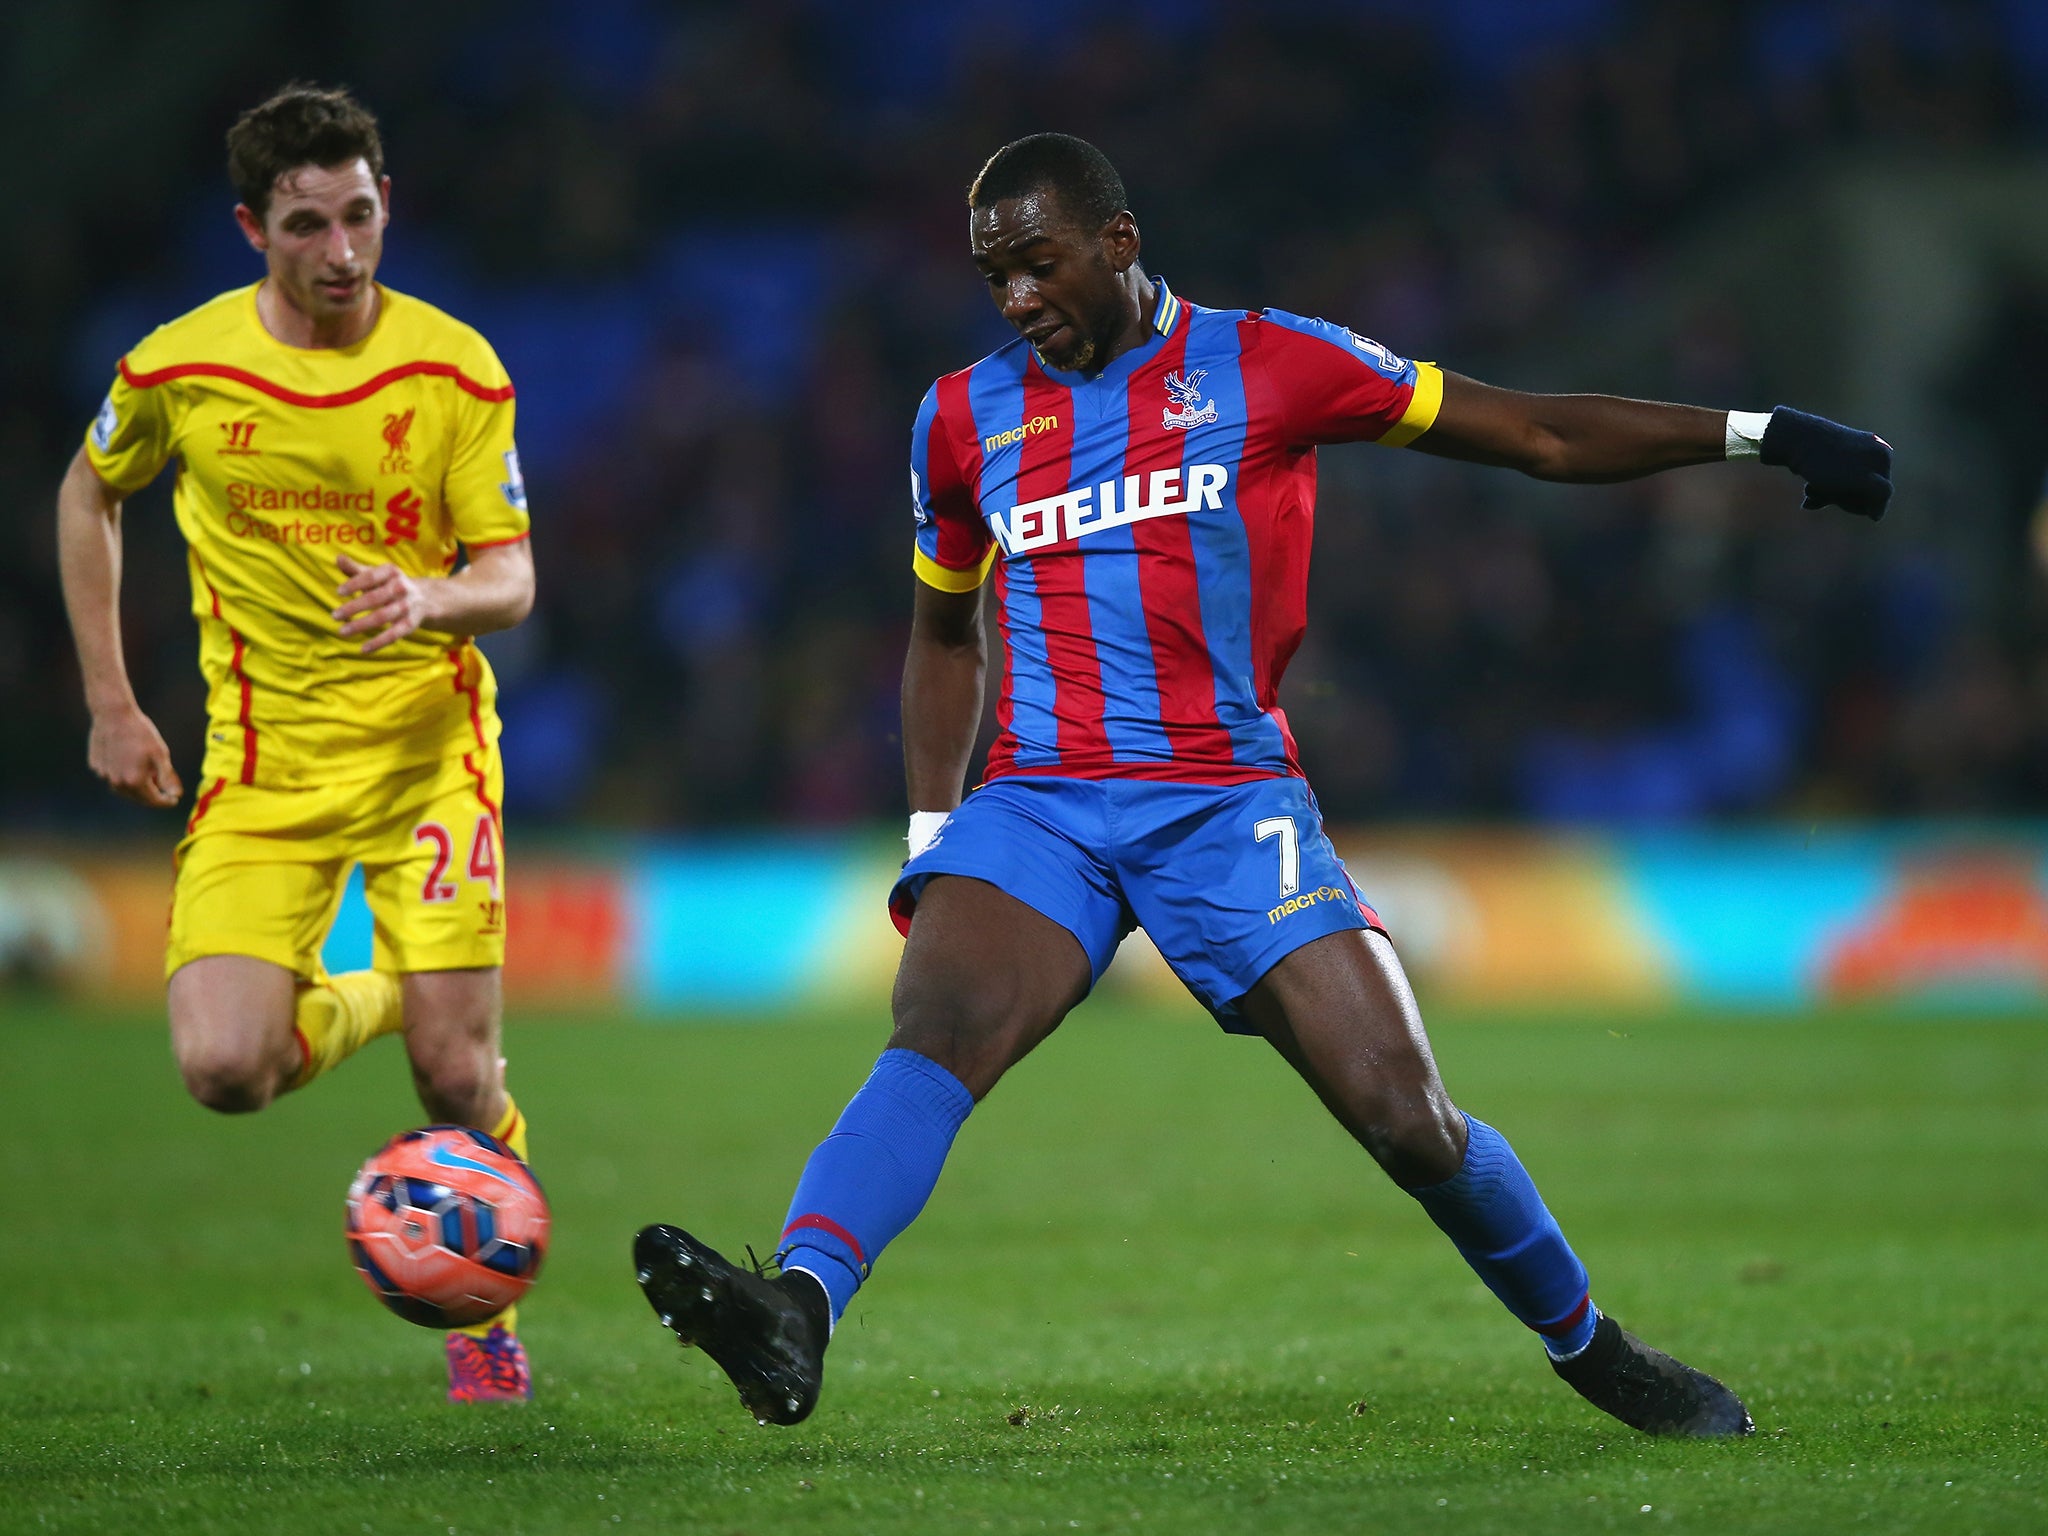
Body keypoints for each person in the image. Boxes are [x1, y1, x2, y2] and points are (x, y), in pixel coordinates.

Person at [634, 133, 1891, 1435]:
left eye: (1037, 265)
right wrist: (937, 830)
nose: (1015, 300)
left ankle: (1594, 1351)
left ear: (1119, 243)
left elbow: (1533, 435)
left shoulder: (1272, 362)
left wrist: (1763, 434)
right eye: (992, 277)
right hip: (1043, 802)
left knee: (1408, 1122)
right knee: (935, 1027)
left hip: (1225, 805)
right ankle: (797, 1307)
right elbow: (944, 631)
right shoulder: (960, 418)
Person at [56, 84, 539, 1403]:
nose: (342, 251)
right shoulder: (179, 369)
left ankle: (483, 1317)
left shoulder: (454, 369)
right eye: (309, 225)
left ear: (389, 204)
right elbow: (88, 490)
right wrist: (111, 699)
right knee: (223, 1069)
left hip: (428, 754)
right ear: (251, 229)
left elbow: (512, 575)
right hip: (262, 770)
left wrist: (429, 595)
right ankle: (388, 991)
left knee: (459, 1075)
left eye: (362, 216)